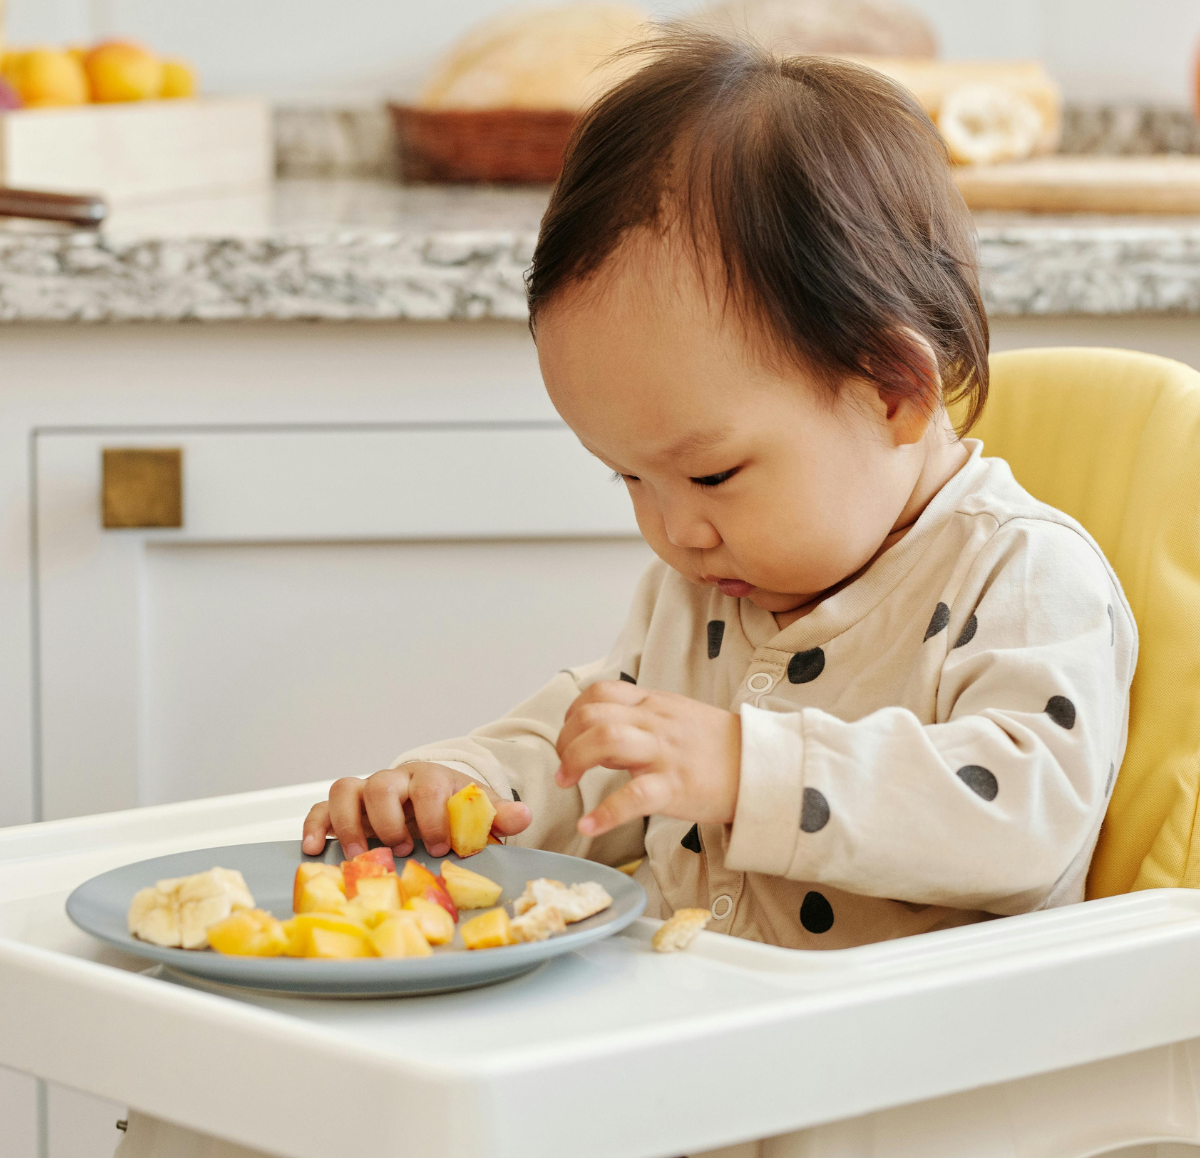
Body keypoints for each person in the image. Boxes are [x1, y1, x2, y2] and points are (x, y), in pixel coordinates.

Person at [303, 31, 1136, 956]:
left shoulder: (1020, 574)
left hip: (918, 1045)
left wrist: (750, 770)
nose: (674, 530)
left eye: (711, 475)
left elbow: (1026, 817)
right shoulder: (708, 584)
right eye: (629, 477)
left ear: (892, 392)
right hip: (704, 1029)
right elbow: (597, 751)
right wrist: (459, 788)